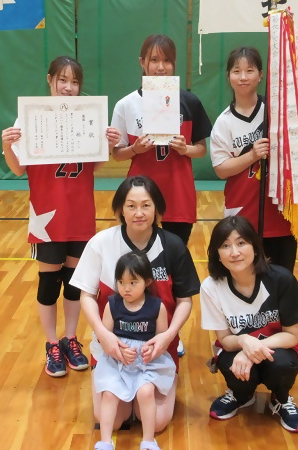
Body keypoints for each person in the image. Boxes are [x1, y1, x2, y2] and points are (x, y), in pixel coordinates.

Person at [1, 56, 121, 378]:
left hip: (80, 211)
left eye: (75, 82)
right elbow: (17, 169)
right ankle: (51, 343)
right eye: (63, 80)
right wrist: (7, 144)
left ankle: (70, 338)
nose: (69, 88)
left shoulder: (89, 116)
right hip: (47, 215)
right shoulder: (29, 117)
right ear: (50, 79)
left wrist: (108, 146)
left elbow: (95, 166)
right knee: (48, 282)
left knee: (75, 283)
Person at [71, 175, 200, 433]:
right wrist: (104, 336)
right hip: (112, 349)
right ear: (120, 209)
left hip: (156, 350)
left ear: (157, 209)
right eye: (131, 206)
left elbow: (185, 300)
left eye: (146, 205)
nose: (138, 213)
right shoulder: (101, 243)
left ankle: (157, 379)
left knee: (156, 421)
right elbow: (86, 295)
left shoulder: (173, 246)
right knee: (112, 420)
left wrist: (167, 338)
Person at [200, 216, 298, 433]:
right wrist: (244, 341)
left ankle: (281, 398)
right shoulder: (211, 287)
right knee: (232, 366)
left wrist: (252, 350)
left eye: (241, 243)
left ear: (255, 246)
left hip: (278, 348)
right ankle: (241, 395)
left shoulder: (281, 279)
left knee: (281, 365)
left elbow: (292, 335)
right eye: (225, 246)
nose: (234, 252)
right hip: (235, 348)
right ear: (217, 254)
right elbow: (224, 339)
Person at [111, 34, 212, 249]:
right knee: (140, 259)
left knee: (175, 257)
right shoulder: (126, 105)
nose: (161, 67)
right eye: (154, 60)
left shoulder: (189, 101)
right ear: (142, 62)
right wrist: (134, 149)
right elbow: (117, 154)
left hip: (178, 191)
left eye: (167, 61)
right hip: (140, 194)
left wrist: (186, 149)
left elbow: (202, 149)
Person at [209, 46, 298, 273]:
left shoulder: (277, 113)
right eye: (236, 71)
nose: (243, 77)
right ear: (228, 77)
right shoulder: (224, 122)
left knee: (281, 281)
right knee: (244, 280)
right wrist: (252, 155)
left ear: (260, 75)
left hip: (279, 215)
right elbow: (221, 169)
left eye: (250, 70)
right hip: (241, 215)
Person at [93, 252, 176, 450]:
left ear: (147, 281)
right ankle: (105, 441)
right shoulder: (112, 304)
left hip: (145, 363)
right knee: (110, 394)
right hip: (117, 360)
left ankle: (148, 440)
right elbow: (104, 337)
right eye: (121, 282)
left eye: (133, 282)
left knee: (146, 392)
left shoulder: (157, 306)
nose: (126, 288)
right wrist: (117, 351)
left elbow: (160, 340)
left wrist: (150, 352)